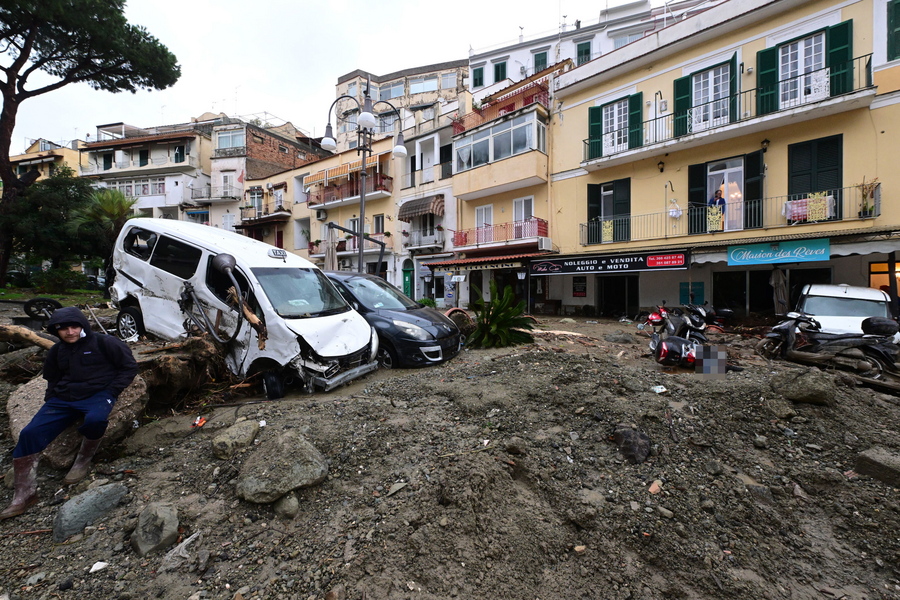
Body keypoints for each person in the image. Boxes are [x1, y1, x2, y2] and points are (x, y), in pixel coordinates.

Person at [0, 307, 138, 520]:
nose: (70, 332)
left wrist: (111, 391)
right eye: (63, 329)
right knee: (29, 434)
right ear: (56, 331)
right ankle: (24, 494)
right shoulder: (57, 350)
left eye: (74, 326)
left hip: (98, 394)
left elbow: (129, 367)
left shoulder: (104, 343)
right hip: (63, 399)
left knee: (95, 420)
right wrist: (51, 400)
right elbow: (52, 377)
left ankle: (83, 459)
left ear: (83, 326)